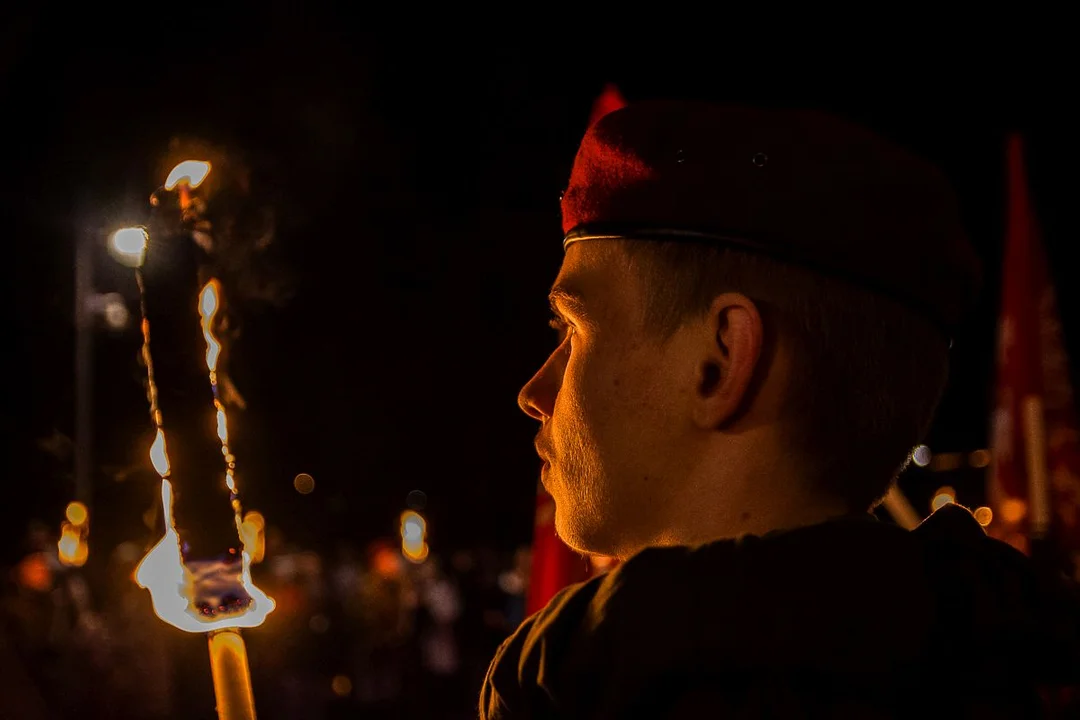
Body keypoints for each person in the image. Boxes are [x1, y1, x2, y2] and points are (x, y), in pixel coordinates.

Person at [479, 100, 1080, 718]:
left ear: (719, 361)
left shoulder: (577, 682)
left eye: (574, 333)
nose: (534, 393)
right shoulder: (1010, 657)